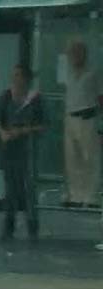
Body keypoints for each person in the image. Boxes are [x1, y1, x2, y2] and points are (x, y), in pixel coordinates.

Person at [0, 64, 45, 242]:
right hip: (8, 149)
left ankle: (32, 225)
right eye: (14, 75)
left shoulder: (35, 98)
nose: (15, 79)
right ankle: (9, 224)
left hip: (27, 148)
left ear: (27, 78)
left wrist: (22, 131)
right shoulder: (6, 96)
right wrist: (3, 133)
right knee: (10, 188)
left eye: (19, 75)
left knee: (29, 187)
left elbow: (44, 124)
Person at [62, 40, 102, 209]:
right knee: (72, 158)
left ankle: (91, 196)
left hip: (87, 117)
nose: (75, 56)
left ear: (85, 54)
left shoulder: (93, 73)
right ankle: (76, 195)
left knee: (90, 158)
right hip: (70, 118)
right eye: (73, 52)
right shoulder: (68, 74)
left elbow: (101, 96)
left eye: (79, 52)